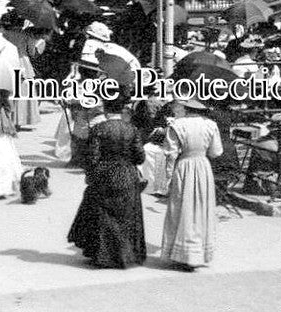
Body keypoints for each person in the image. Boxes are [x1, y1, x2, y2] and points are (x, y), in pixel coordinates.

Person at [67, 94, 147, 268]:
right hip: (127, 175)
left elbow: (92, 158)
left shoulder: (99, 129)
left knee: (104, 216)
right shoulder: (132, 129)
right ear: (123, 110)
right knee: (126, 216)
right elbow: (140, 157)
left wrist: (91, 174)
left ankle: (104, 256)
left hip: (105, 175)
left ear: (105, 108)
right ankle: (126, 256)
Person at [160, 98, 224, 271]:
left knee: (181, 207)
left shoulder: (177, 125)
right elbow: (216, 152)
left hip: (185, 165)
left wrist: (167, 176)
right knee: (201, 208)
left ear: (186, 108)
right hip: (202, 166)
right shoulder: (211, 125)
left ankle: (181, 253)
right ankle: (197, 253)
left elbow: (170, 153)